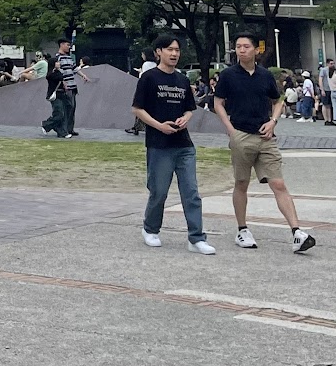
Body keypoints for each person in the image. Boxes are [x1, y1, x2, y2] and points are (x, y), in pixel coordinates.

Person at [212, 31, 315, 253]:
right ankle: (242, 229)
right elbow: (218, 103)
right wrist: (230, 129)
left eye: (246, 46)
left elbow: (277, 101)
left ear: (256, 49)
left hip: (265, 137)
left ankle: (297, 232)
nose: (241, 50)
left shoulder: (265, 75)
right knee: (241, 183)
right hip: (241, 134)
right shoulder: (228, 75)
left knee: (278, 183)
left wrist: (273, 121)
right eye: (238, 46)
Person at [134, 32, 214, 254]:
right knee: (159, 191)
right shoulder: (149, 78)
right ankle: (150, 229)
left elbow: (189, 108)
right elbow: (137, 109)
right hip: (159, 144)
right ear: (158, 52)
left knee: (191, 192)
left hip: (184, 144)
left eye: (177, 50)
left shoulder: (182, 79)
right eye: (169, 49)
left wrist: (186, 118)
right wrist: (159, 125)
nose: (174, 54)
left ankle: (196, 238)